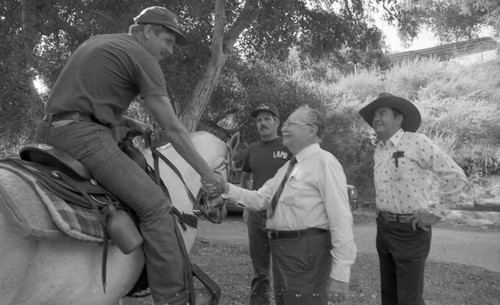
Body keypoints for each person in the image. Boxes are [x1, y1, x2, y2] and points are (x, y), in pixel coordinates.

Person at [33, 6, 224, 305]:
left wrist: (125, 122)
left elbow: (82, 99)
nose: (170, 51)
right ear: (147, 31)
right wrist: (207, 172)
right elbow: (173, 128)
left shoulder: (98, 41)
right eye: (168, 41)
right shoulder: (143, 57)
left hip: (46, 133)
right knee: (157, 208)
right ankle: (175, 299)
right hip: (84, 138)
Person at [206, 105, 357, 305]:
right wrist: (224, 187)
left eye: (291, 124)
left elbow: (341, 218)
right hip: (284, 252)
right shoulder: (289, 167)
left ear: (311, 130)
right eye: (285, 123)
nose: (285, 128)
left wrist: (340, 274)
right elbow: (260, 199)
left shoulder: (324, 163)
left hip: (307, 252)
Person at [359, 92, 467, 305]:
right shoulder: (379, 150)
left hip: (410, 230)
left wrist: (436, 214)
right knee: (389, 296)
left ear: (399, 118)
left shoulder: (417, 142)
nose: (376, 119)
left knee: (409, 298)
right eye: (373, 116)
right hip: (384, 227)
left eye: (382, 113)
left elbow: (456, 176)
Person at [240, 102, 291, 305]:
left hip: (283, 215)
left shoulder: (289, 146)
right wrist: (246, 205)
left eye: (267, 119)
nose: (262, 123)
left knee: (284, 266)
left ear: (277, 122)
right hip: (256, 214)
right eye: (259, 120)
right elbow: (245, 178)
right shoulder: (252, 149)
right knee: (260, 267)